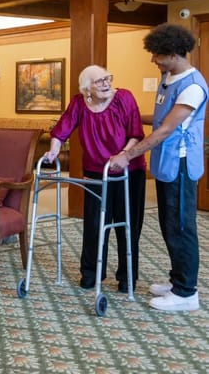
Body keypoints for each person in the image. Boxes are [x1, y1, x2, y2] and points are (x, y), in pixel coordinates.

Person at [110, 23, 208, 311]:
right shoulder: (168, 77)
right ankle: (177, 280)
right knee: (168, 224)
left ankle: (186, 293)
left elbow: (165, 130)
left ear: (174, 53)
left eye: (157, 54)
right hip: (165, 163)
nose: (153, 59)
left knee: (181, 226)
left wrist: (127, 156)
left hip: (180, 163)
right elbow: (160, 116)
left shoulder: (192, 87)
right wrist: (128, 115)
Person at [44, 65, 146, 293]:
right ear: (86, 87)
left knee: (128, 225)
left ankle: (126, 278)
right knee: (94, 225)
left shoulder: (124, 98)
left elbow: (136, 134)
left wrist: (123, 155)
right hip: (95, 174)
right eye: (99, 81)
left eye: (107, 78)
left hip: (128, 171)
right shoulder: (79, 103)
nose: (106, 84)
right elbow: (61, 130)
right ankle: (91, 274)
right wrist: (53, 151)